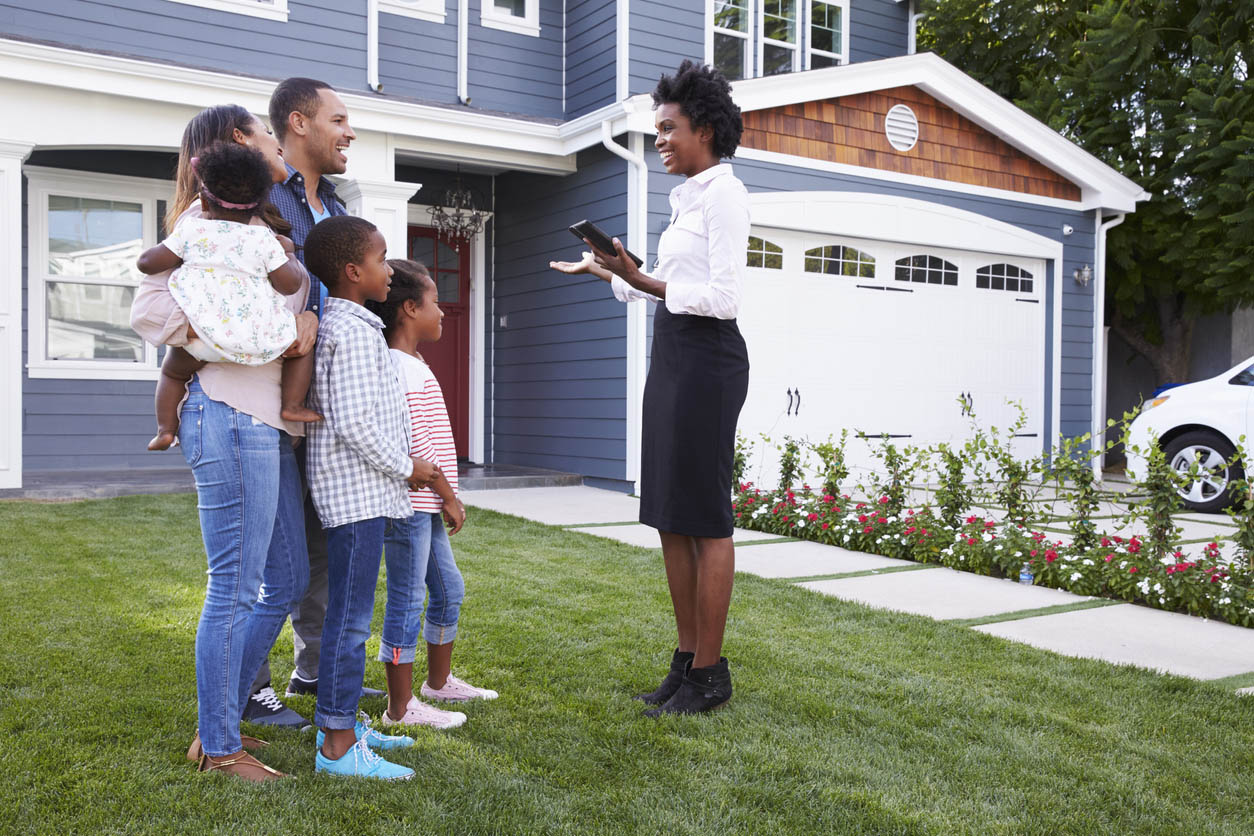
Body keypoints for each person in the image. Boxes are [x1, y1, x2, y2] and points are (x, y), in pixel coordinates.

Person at [550, 60, 750, 715]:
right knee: (668, 514)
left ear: (706, 130)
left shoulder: (724, 192)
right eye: (656, 128)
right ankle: (685, 662)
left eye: (669, 128)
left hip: (708, 362)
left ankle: (712, 675)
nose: (659, 139)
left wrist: (639, 281)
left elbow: (720, 297)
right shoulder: (686, 196)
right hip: (672, 354)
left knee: (704, 519)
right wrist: (608, 270)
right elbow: (660, 283)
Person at [130, 104, 318, 780]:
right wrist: (225, 332)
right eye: (266, 133)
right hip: (230, 413)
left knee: (286, 578)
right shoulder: (199, 228)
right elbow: (150, 310)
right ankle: (217, 745)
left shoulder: (257, 229)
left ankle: (223, 718)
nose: (276, 140)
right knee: (236, 587)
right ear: (240, 144)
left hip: (266, 418)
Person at [242, 77, 386, 727]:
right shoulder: (256, 198)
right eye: (340, 118)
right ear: (298, 123)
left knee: (323, 547)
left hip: (326, 406)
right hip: (266, 405)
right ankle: (249, 687)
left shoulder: (333, 204)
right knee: (268, 559)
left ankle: (315, 669)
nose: (349, 131)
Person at [303, 215, 439, 780]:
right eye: (383, 260)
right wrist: (410, 466)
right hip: (355, 497)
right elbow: (355, 422)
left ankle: (344, 725)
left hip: (361, 494)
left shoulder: (353, 325)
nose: (390, 270)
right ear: (355, 271)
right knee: (351, 622)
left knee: (349, 617)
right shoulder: (355, 332)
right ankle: (336, 744)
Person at [364, 260, 498, 730]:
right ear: (408, 308)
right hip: (409, 507)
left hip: (424, 505)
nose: (442, 312)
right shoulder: (400, 370)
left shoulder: (413, 363)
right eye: (435, 302)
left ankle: (437, 684)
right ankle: (399, 709)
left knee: (448, 590)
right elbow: (416, 446)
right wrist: (449, 496)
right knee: (405, 601)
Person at [138, 141, 320, 451]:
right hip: (259, 341)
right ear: (260, 205)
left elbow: (148, 264)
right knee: (303, 345)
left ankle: (166, 429)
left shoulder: (192, 230)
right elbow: (289, 285)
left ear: (205, 203)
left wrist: (164, 252)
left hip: (203, 340)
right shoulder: (264, 240)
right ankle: (292, 404)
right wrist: (287, 253)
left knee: (171, 371)